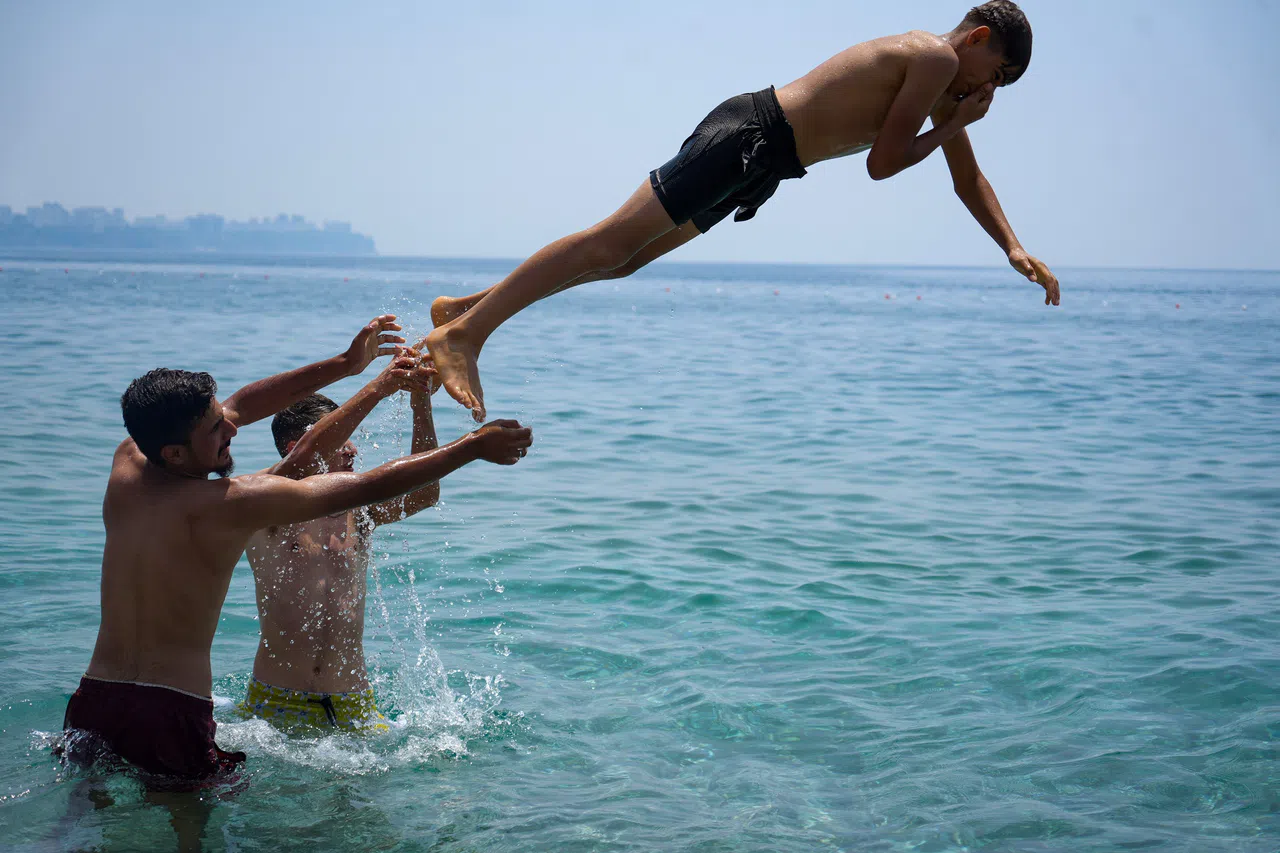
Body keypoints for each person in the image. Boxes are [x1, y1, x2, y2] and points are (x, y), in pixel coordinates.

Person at [426, 0, 1059, 421]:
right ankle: (465, 337)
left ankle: (464, 309)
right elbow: (882, 164)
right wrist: (956, 123)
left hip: (764, 164)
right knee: (607, 244)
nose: (987, 91)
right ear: (977, 39)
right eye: (997, 74)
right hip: (750, 134)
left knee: (624, 262)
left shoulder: (946, 90)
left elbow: (968, 178)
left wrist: (1012, 246)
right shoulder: (935, 58)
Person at [62, 316, 532, 792]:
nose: (232, 429)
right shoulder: (243, 506)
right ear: (176, 453)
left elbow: (245, 405)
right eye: (215, 430)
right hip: (219, 705)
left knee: (86, 827)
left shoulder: (131, 462)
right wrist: (467, 442)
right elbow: (316, 460)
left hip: (100, 698)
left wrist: (351, 365)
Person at [239, 347, 442, 732]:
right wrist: (378, 386)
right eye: (342, 438)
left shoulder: (359, 511)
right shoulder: (266, 510)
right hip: (277, 700)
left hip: (354, 703)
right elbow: (286, 468)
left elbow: (425, 492)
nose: (353, 450)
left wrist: (421, 404)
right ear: (296, 449)